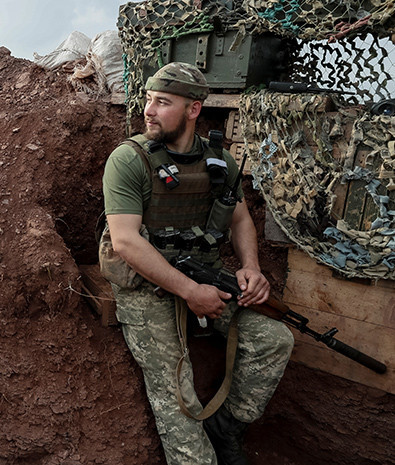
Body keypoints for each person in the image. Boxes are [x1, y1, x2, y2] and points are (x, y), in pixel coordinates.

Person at [102, 62, 294, 464]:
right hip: (147, 284)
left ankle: (226, 430)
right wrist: (189, 292)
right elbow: (124, 241)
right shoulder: (129, 159)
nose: (149, 111)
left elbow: (239, 217)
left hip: (202, 273)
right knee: (177, 389)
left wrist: (252, 267)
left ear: (193, 109)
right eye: (148, 100)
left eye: (163, 102)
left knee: (275, 340)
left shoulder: (219, 161)